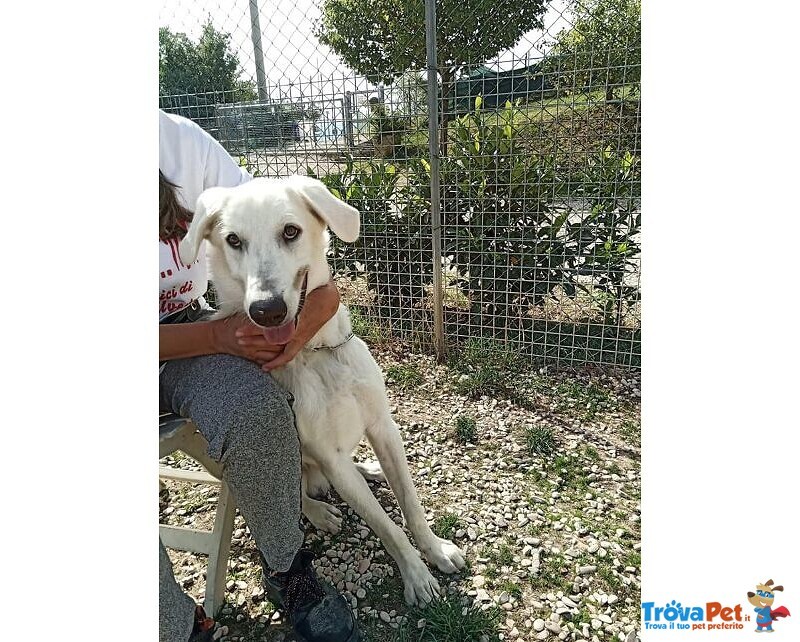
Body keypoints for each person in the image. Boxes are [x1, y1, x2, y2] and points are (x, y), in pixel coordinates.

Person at [159, 109, 359, 642]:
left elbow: (273, 220)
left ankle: (287, 569)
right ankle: (170, 624)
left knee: (257, 409)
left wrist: (319, 300)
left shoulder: (179, 142)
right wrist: (217, 339)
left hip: (182, 325)